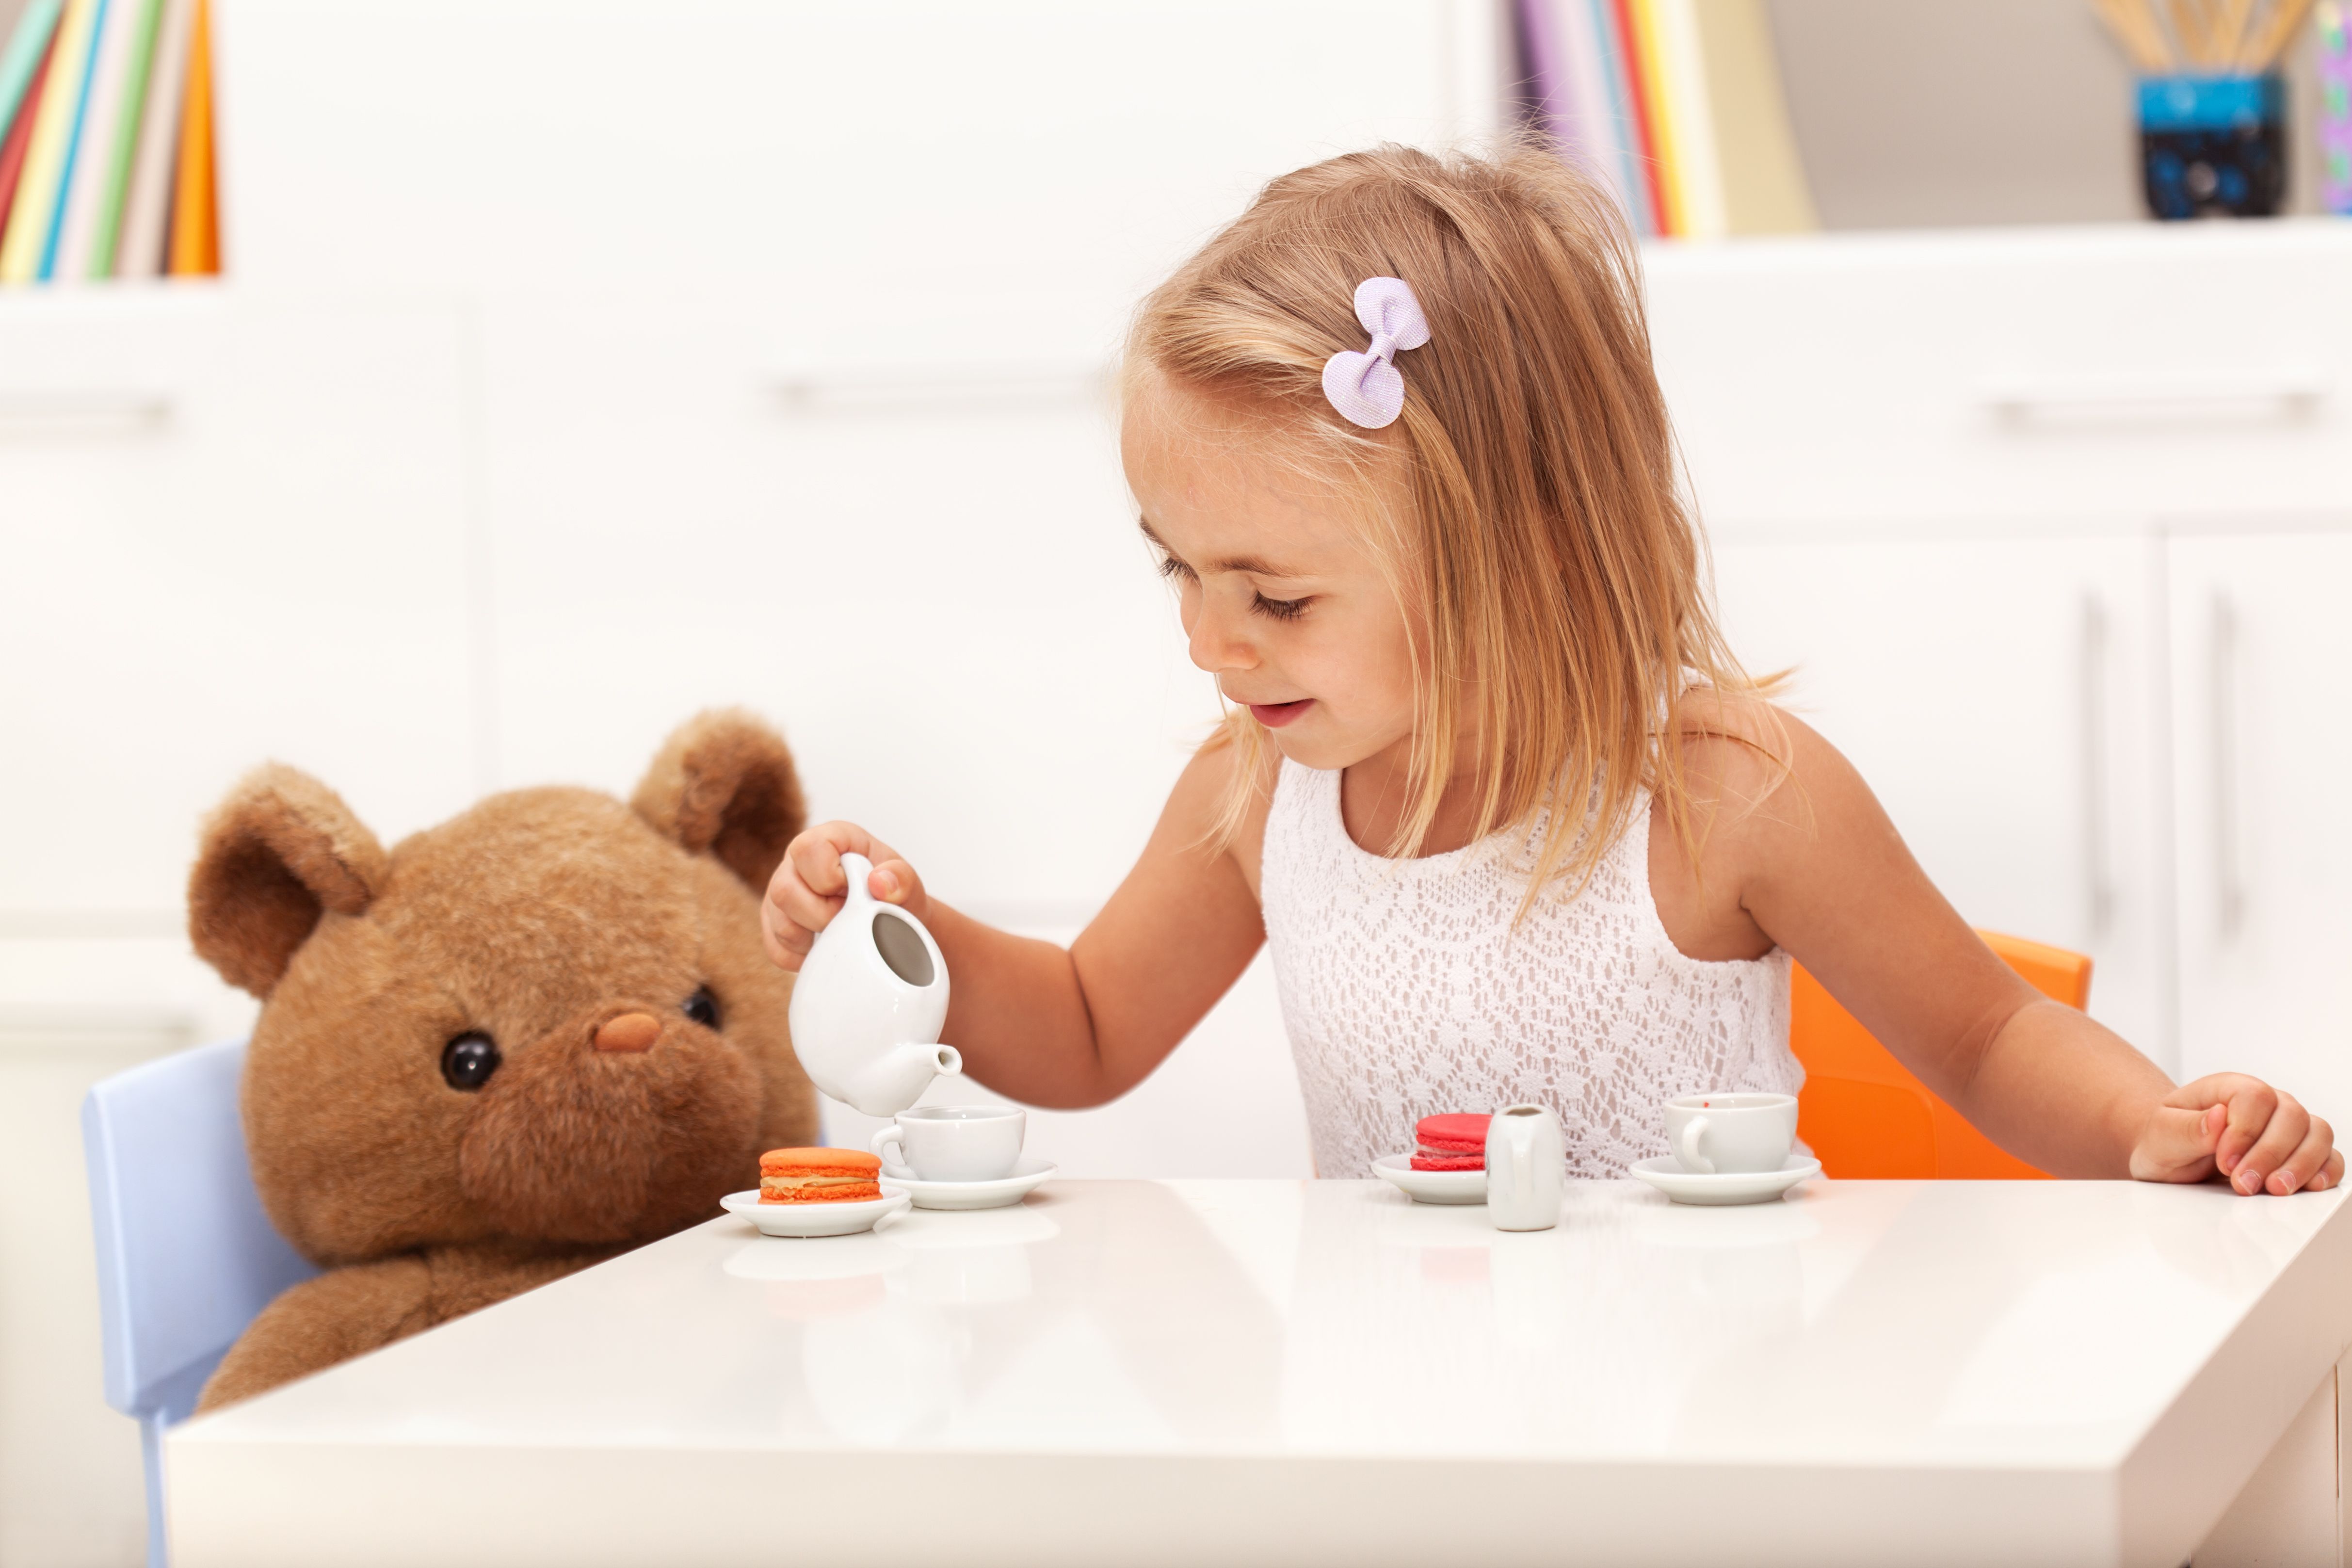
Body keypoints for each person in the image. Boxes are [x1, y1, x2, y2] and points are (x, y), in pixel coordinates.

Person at [762, 143, 2337, 1195]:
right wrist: (907, 930)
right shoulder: (1256, 791)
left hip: (1703, 1446)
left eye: (1277, 596)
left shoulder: (1726, 798)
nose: (1208, 639)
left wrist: (2157, 1120)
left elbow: (1986, 1040)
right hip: (1418, 1458)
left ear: (1518, 550)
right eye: (1179, 568)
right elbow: (1090, 1028)